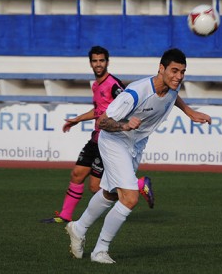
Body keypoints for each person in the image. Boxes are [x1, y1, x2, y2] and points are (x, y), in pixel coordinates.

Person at [64, 48, 212, 264]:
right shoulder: (135, 93)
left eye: (182, 71)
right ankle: (100, 251)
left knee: (111, 193)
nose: (178, 76)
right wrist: (124, 125)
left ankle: (78, 227)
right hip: (114, 140)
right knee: (130, 197)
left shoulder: (172, 85)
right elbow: (103, 122)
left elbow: (173, 95)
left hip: (135, 144)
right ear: (161, 69)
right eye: (174, 71)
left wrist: (190, 112)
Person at [41, 46, 154, 224]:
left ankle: (139, 184)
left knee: (95, 187)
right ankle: (64, 216)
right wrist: (78, 119)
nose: (98, 64)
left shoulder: (113, 85)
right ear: (91, 63)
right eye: (95, 61)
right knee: (77, 174)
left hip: (108, 139)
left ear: (107, 62)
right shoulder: (96, 85)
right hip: (95, 137)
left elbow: (127, 103)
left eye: (101, 60)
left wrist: (129, 125)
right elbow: (99, 110)